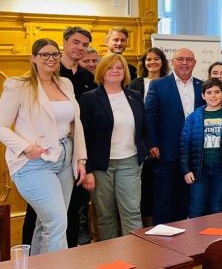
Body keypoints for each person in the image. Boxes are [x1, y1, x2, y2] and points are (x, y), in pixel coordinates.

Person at [0, 39, 87, 254]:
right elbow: (1, 126)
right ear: (34, 58)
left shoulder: (65, 84)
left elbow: (76, 123)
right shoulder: (18, 85)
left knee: (47, 223)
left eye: (55, 55)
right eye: (44, 55)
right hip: (34, 163)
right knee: (57, 222)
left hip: (65, 158)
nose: (51, 59)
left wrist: (80, 159)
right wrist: (27, 147)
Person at [80, 53, 145, 239]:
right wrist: (88, 169)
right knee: (105, 216)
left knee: (132, 213)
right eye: (110, 67)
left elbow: (144, 127)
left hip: (130, 162)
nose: (115, 71)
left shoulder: (135, 96)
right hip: (101, 167)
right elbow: (82, 137)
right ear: (101, 71)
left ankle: (136, 257)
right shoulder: (89, 99)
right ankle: (112, 260)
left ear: (124, 72)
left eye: (119, 67)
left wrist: (144, 151)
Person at [145, 48, 203, 224]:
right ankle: (161, 241)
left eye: (188, 59)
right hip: (165, 151)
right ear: (172, 62)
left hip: (194, 152)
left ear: (194, 63)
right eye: (180, 59)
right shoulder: (158, 85)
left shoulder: (203, 86)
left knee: (186, 198)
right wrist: (152, 143)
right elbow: (149, 116)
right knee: (165, 198)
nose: (184, 63)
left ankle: (181, 239)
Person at [58, 26, 95, 248]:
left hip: (80, 151)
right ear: (64, 42)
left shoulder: (87, 77)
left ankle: (69, 255)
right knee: (42, 212)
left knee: (75, 206)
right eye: (76, 42)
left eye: (84, 45)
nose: (80, 48)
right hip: (53, 149)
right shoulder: (50, 72)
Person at [180, 78, 222, 217]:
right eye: (209, 92)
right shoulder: (193, 117)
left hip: (220, 169)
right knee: (197, 207)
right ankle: (197, 238)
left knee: (217, 206)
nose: (213, 95)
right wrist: (186, 170)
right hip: (199, 170)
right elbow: (184, 145)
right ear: (203, 96)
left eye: (217, 92)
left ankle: (218, 236)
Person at [127, 47, 168, 226]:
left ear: (162, 61)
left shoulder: (168, 82)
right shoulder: (135, 84)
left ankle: (157, 220)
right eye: (148, 59)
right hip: (140, 140)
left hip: (163, 139)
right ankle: (144, 221)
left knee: (159, 184)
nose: (152, 62)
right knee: (143, 184)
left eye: (156, 58)